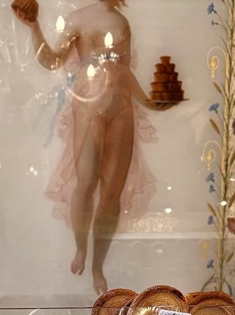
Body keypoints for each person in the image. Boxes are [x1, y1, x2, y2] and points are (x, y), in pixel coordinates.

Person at [12, 0, 171, 295]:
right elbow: (51, 60)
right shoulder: (77, 19)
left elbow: (124, 72)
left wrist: (151, 103)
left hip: (121, 109)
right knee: (86, 181)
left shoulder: (122, 23)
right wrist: (34, 27)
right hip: (88, 107)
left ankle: (98, 264)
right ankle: (80, 248)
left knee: (112, 192)